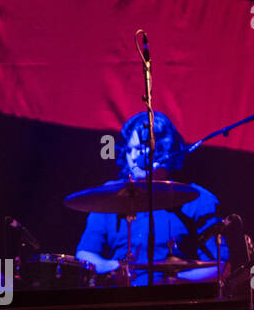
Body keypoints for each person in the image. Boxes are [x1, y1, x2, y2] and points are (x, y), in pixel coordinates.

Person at [75, 111, 229, 284]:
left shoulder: (199, 200)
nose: (133, 158)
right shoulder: (108, 195)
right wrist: (108, 267)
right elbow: (85, 253)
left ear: (164, 151)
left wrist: (172, 283)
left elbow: (218, 266)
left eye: (140, 149)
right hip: (119, 300)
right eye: (129, 150)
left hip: (176, 303)